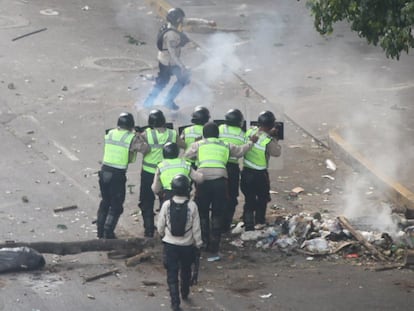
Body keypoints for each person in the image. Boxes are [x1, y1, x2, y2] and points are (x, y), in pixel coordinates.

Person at [184, 122, 257, 256]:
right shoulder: (225, 144)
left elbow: (187, 156)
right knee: (218, 212)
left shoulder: (199, 144)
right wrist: (251, 142)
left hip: (203, 180)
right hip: (220, 181)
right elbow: (240, 151)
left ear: (204, 135)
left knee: (202, 212)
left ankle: (203, 241)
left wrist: (195, 145)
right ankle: (215, 244)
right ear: (217, 134)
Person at [137, 109, 186, 237]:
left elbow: (140, 147)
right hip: (165, 172)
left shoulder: (146, 134)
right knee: (165, 203)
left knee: (146, 202)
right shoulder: (172, 134)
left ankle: (148, 230)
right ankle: (165, 230)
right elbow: (183, 145)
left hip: (148, 173)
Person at [157, 174, 203, 311]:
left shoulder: (166, 204)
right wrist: (199, 243)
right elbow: (196, 228)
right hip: (187, 245)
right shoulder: (192, 206)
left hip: (170, 245)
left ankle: (175, 303)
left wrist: (162, 235)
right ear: (187, 189)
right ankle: (185, 292)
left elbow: (160, 225)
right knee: (186, 270)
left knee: (172, 273)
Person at [97, 112, 144, 239]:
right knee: (116, 205)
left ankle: (100, 232)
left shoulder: (110, 133)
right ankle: (108, 233)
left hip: (104, 172)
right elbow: (145, 149)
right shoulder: (131, 137)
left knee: (105, 202)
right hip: (117, 175)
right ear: (131, 125)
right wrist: (139, 135)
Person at [241, 110, 282, 231]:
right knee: (262, 198)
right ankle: (259, 221)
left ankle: (248, 224)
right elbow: (277, 153)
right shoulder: (267, 140)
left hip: (246, 172)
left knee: (249, 198)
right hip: (260, 175)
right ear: (271, 125)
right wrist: (274, 137)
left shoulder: (250, 131)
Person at [143, 8, 191, 111]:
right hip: (168, 63)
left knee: (179, 79)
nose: (183, 20)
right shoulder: (171, 35)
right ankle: (150, 102)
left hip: (167, 60)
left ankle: (165, 101)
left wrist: (207, 23)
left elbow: (191, 21)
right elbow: (173, 54)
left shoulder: (170, 26)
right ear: (178, 20)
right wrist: (182, 67)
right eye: (181, 19)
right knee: (164, 82)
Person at [218, 109, 246, 231]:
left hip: (218, 165)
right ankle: (225, 225)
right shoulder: (242, 134)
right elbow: (244, 152)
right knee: (231, 196)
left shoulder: (220, 129)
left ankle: (215, 222)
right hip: (232, 168)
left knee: (217, 195)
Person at [151, 142, 203, 206]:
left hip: (168, 196)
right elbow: (199, 179)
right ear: (177, 152)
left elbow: (155, 188)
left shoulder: (161, 166)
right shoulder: (185, 164)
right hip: (184, 195)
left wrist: (159, 192)